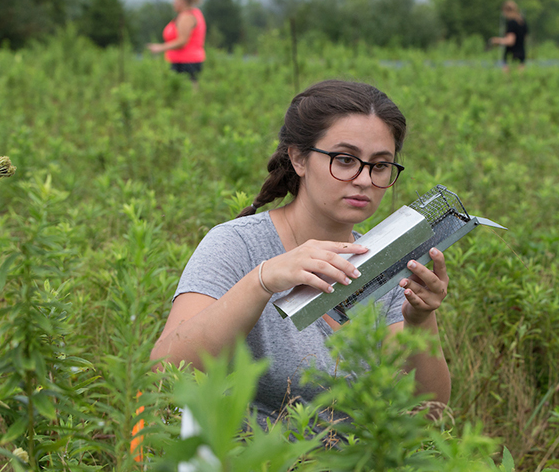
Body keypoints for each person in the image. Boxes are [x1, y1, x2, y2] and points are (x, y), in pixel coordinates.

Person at [150, 80, 452, 434]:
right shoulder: (237, 245)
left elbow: (425, 415)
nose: (364, 179)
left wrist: (420, 320)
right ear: (298, 158)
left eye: (380, 165)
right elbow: (165, 373)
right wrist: (262, 281)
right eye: (344, 160)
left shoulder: (386, 264)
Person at [148, 0, 207, 85]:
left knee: (184, 92)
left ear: (183, 2)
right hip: (189, 60)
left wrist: (160, 47)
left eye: (175, 0)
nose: (173, 3)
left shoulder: (186, 17)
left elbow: (182, 41)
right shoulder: (195, 13)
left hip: (185, 63)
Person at [489, 0, 528, 72]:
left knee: (507, 81)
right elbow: (525, 38)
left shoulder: (511, 23)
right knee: (520, 80)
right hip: (522, 54)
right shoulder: (522, 22)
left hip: (511, 56)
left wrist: (496, 41)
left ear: (507, 11)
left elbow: (510, 41)